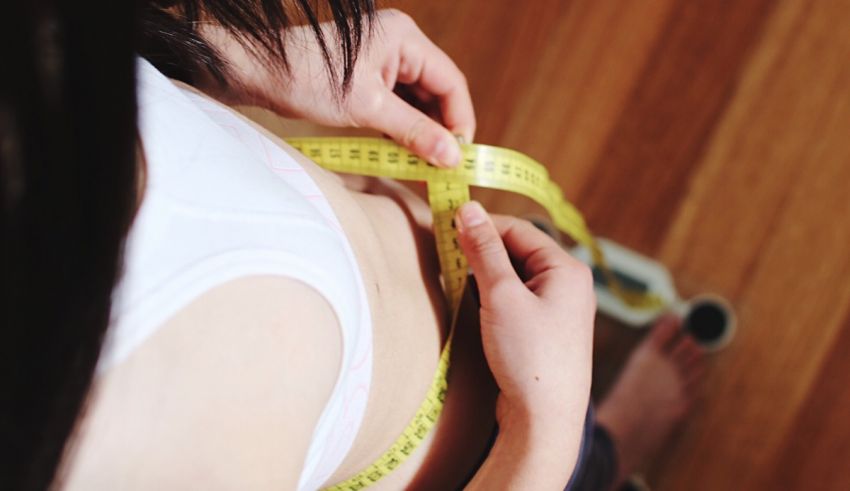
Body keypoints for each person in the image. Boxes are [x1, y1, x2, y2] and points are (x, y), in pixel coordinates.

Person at [0, 2, 703, 490]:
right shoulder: (131, 452)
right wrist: (541, 441)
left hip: (477, 342)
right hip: (473, 461)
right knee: (581, 462)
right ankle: (604, 453)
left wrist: (227, 57)